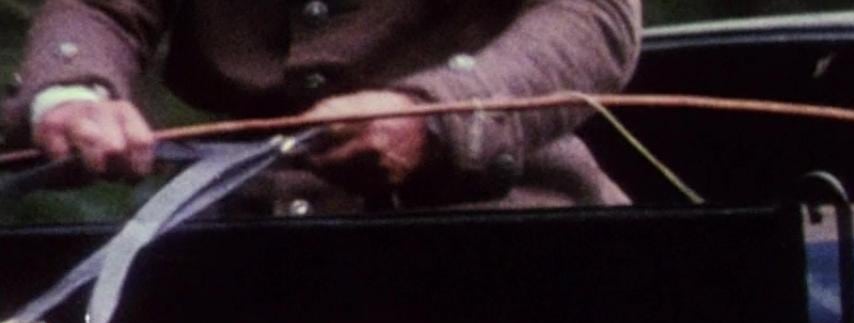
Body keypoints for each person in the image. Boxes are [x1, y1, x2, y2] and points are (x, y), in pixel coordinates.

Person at [4, 0, 641, 214]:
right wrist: (72, 94)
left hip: (501, 233)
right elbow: (99, 9)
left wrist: (439, 113)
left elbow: (592, 15)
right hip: (240, 246)